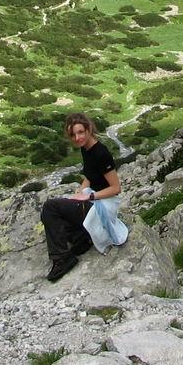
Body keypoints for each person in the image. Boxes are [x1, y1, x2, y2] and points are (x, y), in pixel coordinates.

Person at [39, 113, 128, 283]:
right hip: (93, 200)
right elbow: (89, 175)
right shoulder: (86, 149)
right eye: (73, 134)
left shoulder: (101, 153)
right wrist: (79, 194)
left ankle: (62, 258)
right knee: (56, 212)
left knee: (50, 208)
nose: (77, 138)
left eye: (80, 132)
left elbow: (116, 188)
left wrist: (90, 196)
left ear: (89, 130)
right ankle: (81, 238)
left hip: (102, 204)